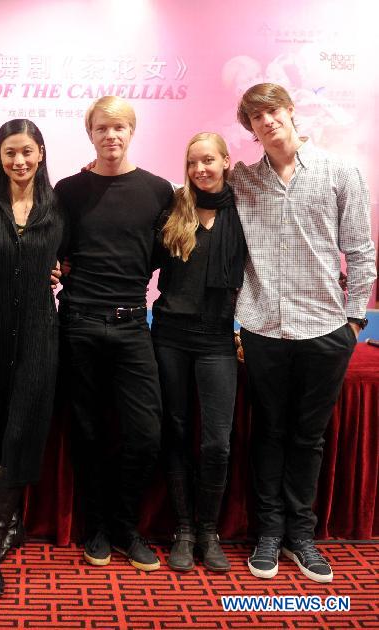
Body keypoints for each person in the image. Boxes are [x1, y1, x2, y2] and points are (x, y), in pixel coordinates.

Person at [233, 83, 376, 583]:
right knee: (269, 431)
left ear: (290, 112)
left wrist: (354, 320)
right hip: (263, 327)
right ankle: (269, 533)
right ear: (249, 129)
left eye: (272, 111)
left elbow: (360, 251)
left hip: (325, 327)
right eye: (255, 117)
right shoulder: (242, 181)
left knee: (308, 437)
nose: (267, 121)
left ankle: (302, 535)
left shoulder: (340, 172)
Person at [55, 95, 173, 572]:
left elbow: (166, 254)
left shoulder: (159, 190)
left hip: (131, 325)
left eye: (120, 127)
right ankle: (97, 527)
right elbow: (54, 251)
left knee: (145, 433)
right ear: (90, 134)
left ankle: (127, 525)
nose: (112, 136)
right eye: (102, 128)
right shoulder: (68, 190)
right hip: (78, 321)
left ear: (132, 130)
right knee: (87, 433)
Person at [0, 119, 64, 596]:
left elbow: (84, 253)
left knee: (24, 426)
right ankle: (12, 524)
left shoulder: (60, 204)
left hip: (41, 335)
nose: (19, 161)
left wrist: (65, 272)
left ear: (41, 153)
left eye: (27, 151)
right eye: (9, 153)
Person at [152, 132, 246, 572]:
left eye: (208, 160)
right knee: (174, 430)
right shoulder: (173, 208)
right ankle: (185, 529)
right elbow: (134, 250)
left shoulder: (245, 211)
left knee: (216, 443)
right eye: (192, 163)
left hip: (217, 340)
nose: (200, 170)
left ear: (226, 161)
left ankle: (209, 531)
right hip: (169, 335)